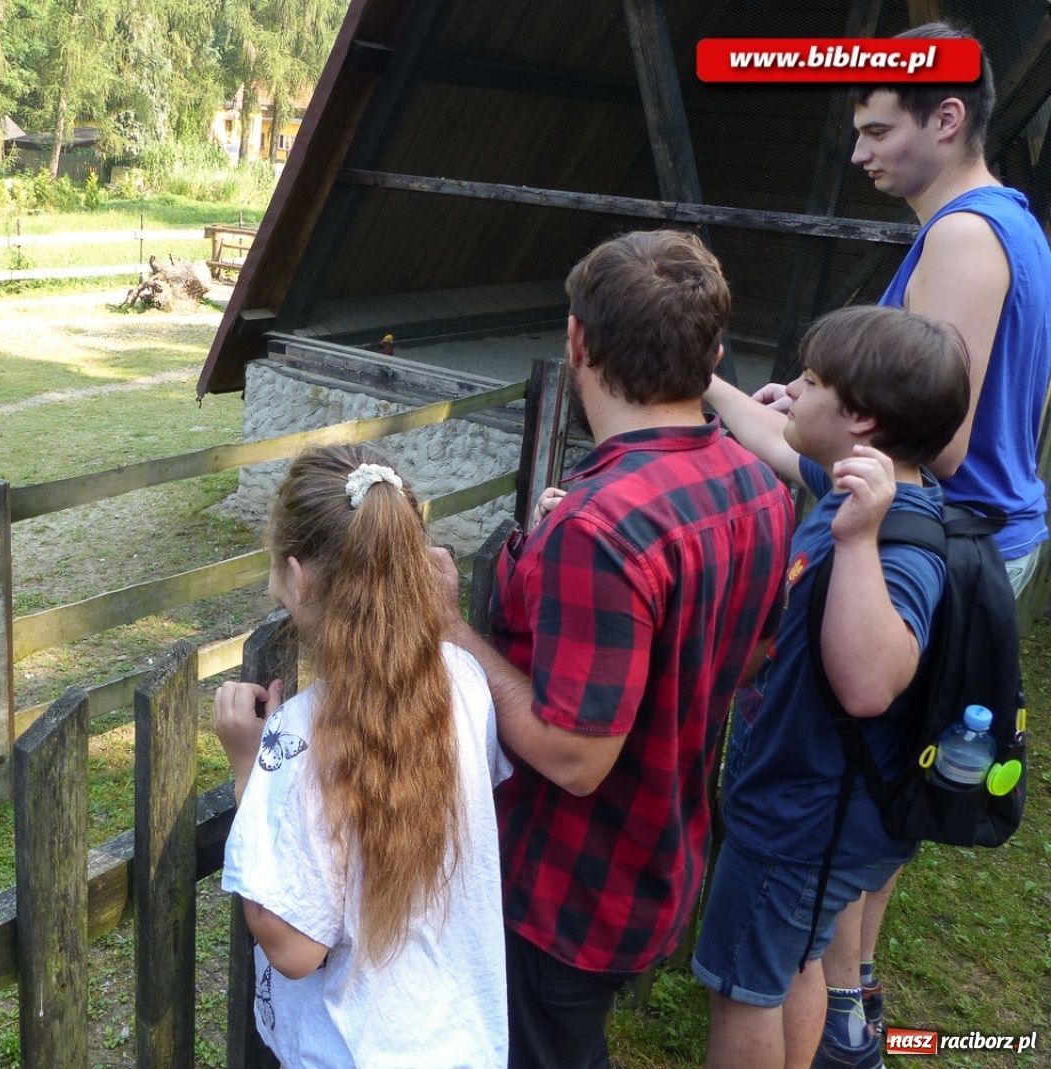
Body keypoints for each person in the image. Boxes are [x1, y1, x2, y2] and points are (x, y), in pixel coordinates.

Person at [752, 21, 1051, 1047]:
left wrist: (797, 429)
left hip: (936, 541)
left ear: (947, 115)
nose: (859, 152)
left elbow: (942, 434)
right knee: (887, 781)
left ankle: (837, 1015)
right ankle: (858, 988)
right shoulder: (1010, 220)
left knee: (851, 782)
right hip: (975, 539)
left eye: (878, 128)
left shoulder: (964, 237)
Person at [434, 228, 795, 1069]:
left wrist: (451, 628)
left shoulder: (601, 527)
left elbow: (575, 756)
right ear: (711, 355)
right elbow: (749, 654)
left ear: (577, 341)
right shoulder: (756, 483)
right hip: (662, 854)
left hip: (568, 893)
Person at [698, 306, 971, 1069]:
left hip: (802, 820)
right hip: (810, 809)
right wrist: (707, 383)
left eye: (812, 381)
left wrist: (853, 541)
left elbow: (868, 684)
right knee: (794, 962)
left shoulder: (890, 540)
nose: (792, 388)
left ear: (861, 418)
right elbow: (763, 435)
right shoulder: (861, 484)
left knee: (742, 988)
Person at [215, 443, 512, 1068]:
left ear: (298, 579)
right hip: (463, 1040)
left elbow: (295, 949)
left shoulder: (299, 736)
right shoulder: (463, 678)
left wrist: (249, 770)